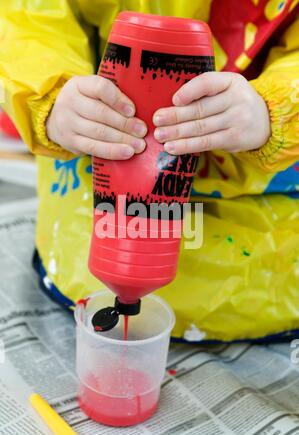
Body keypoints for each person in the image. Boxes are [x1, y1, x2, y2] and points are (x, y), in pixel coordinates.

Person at [0, 0, 299, 342]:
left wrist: (274, 112)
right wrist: (51, 97)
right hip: (89, 202)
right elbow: (30, 16)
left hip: (267, 246)